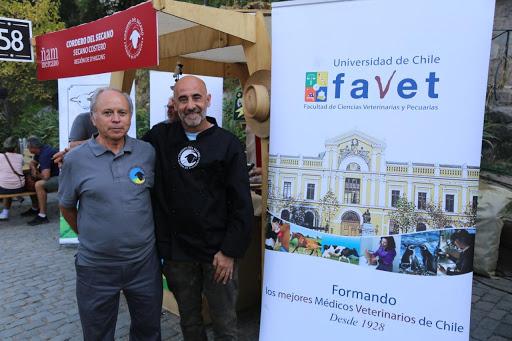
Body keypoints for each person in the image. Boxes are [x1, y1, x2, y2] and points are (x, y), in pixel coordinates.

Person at [143, 75, 253, 341]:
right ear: (175, 104)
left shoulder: (228, 144)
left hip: (218, 254)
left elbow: (241, 203)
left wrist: (229, 251)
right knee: (190, 323)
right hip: (178, 254)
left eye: (196, 98)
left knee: (225, 323)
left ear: (208, 100)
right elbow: (123, 147)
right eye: (183, 99)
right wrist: (84, 147)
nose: (190, 105)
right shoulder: (160, 137)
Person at [58, 88, 162, 340]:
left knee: (148, 331)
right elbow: (67, 206)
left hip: (143, 265)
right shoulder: (76, 160)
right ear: (93, 118)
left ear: (129, 117)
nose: (116, 119)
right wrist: (92, 236)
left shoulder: (146, 152)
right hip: (96, 268)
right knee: (97, 334)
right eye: (107, 113)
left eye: (122, 112)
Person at [21, 136, 60, 225]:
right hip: (56, 175)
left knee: (39, 184)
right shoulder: (41, 150)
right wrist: (33, 168)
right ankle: (35, 208)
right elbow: (32, 162)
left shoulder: (44, 155)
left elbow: (45, 177)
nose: (27, 148)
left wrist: (36, 174)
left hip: (63, 177)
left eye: (28, 146)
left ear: (33, 147)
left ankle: (42, 216)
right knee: (31, 181)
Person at [0, 136, 25, 221]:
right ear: (16, 147)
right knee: (9, 182)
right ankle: (18, 197)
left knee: (5, 183)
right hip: (19, 188)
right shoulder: (20, 157)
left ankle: (5, 213)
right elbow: (21, 166)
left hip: (4, 188)